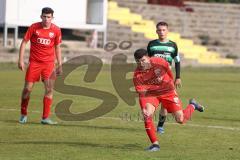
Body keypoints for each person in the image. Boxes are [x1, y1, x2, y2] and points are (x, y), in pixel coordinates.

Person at [133, 49, 204, 151]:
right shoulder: (137, 75)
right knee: (147, 114)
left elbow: (169, 72)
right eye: (138, 61)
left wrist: (167, 81)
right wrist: (144, 107)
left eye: (143, 60)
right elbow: (142, 93)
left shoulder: (159, 61)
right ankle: (155, 144)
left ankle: (192, 105)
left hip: (167, 91)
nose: (141, 63)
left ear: (148, 57)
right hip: (151, 94)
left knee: (180, 120)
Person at [18, 7, 62, 125]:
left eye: (49, 17)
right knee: (27, 89)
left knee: (49, 89)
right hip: (34, 63)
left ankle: (45, 118)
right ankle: (23, 113)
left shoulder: (56, 30)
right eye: (44, 16)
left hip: (49, 65)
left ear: (52, 18)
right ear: (41, 16)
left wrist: (60, 64)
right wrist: (20, 60)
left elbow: (57, 47)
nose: (46, 19)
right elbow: (24, 42)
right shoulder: (34, 27)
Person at [147, 21, 181, 134]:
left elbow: (177, 61)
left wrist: (178, 77)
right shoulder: (151, 45)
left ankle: (160, 126)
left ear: (167, 31)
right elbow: (147, 62)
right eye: (159, 30)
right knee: (150, 102)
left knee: (164, 104)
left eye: (164, 30)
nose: (161, 32)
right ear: (156, 31)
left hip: (167, 79)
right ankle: (149, 124)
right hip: (153, 79)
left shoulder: (172, 45)